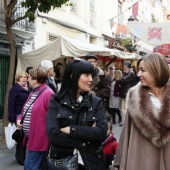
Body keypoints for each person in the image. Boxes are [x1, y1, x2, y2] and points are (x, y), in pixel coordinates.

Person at [46, 58, 108, 170]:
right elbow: (53, 134)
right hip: (63, 162)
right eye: (86, 75)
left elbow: (102, 132)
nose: (90, 79)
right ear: (72, 76)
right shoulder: (56, 101)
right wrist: (85, 142)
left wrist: (71, 129)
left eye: (91, 75)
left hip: (91, 162)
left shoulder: (95, 102)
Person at [114, 52, 170, 170]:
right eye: (138, 70)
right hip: (141, 161)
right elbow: (126, 135)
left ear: (156, 71)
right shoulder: (135, 100)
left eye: (143, 70)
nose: (138, 74)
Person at [16, 67, 54, 170]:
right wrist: (19, 120)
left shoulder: (48, 93)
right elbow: (25, 111)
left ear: (35, 79)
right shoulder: (33, 92)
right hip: (31, 139)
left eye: (29, 78)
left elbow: (53, 117)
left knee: (29, 166)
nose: (27, 80)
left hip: (40, 140)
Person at [8, 71, 30, 165]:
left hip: (27, 115)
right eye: (21, 77)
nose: (24, 79)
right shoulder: (14, 89)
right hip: (19, 116)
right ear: (18, 78)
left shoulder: (28, 88)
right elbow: (11, 104)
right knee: (21, 138)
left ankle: (21, 156)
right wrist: (12, 118)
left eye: (25, 77)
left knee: (25, 137)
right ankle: (21, 158)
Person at [118, 61, 135, 125]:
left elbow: (121, 80)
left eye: (124, 65)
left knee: (126, 108)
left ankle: (126, 122)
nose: (124, 66)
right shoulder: (126, 73)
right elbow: (120, 80)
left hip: (127, 93)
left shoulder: (131, 73)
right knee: (123, 108)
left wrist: (120, 81)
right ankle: (124, 121)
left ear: (127, 66)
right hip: (123, 92)